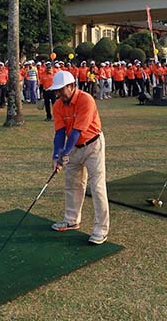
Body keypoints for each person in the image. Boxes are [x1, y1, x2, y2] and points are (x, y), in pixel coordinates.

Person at [48, 71, 109, 245]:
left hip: (93, 145)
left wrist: (64, 154)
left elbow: (76, 131)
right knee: (72, 184)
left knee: (97, 187)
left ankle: (101, 230)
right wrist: (56, 155)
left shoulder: (86, 100)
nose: (58, 93)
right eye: (57, 90)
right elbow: (60, 132)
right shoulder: (58, 105)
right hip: (74, 147)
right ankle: (71, 220)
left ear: (72, 86)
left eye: (61, 90)